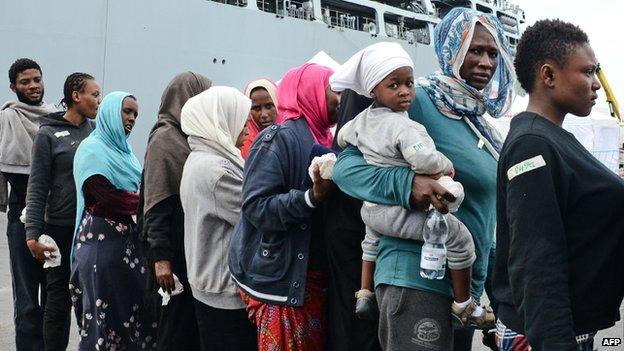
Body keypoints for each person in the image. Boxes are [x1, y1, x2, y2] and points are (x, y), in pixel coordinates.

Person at [332, 8, 515, 350]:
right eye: (474, 50)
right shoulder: (416, 101)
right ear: (450, 49)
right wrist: (407, 186)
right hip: (417, 281)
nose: (486, 63)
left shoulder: (480, 123)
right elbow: (345, 169)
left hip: (462, 291)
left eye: (493, 53)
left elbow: (483, 211)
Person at [493, 19, 624, 351]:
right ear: (548, 75)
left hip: (564, 327)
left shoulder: (552, 139)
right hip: (549, 334)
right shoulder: (532, 145)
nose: (596, 84)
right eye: (587, 72)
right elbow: (536, 258)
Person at [229, 63, 340, 351]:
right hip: (284, 283)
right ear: (311, 92)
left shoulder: (325, 138)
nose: (339, 98)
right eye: (333, 90)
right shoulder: (278, 139)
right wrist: (309, 198)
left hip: (310, 282)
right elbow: (255, 207)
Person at [70, 91, 156, 350]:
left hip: (127, 249)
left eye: (135, 115)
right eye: (126, 111)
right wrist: (147, 202)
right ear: (109, 113)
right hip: (101, 249)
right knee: (104, 323)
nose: (131, 119)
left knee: (131, 320)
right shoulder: (92, 150)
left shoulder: (126, 154)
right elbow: (106, 197)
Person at [24, 72, 100, 351]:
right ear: (76, 96)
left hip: (89, 227)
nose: (97, 100)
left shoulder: (95, 131)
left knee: (89, 298)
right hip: (57, 228)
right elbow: (38, 185)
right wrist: (32, 233)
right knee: (58, 299)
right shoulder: (48, 134)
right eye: (93, 94)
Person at [179, 86, 256, 350]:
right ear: (220, 120)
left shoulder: (200, 158)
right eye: (240, 119)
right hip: (224, 288)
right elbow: (255, 215)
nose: (247, 127)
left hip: (208, 280)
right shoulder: (217, 171)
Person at [140, 71, 210, 350]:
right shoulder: (165, 140)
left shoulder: (187, 138)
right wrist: (161, 260)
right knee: (172, 330)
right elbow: (156, 204)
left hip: (185, 250)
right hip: (169, 256)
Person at [0, 58, 56, 351]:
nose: (33, 86)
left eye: (37, 79)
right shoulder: (7, 119)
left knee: (53, 297)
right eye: (25, 82)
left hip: (55, 219)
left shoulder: (54, 118)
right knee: (26, 301)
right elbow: (6, 170)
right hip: (20, 220)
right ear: (13, 86)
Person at [240, 78, 278, 158]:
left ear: (277, 104)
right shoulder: (244, 144)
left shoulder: (289, 137)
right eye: (256, 108)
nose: (264, 114)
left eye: (269, 106)